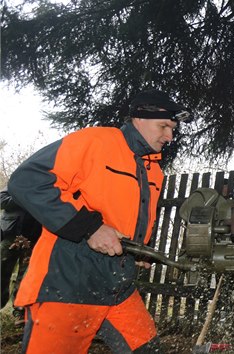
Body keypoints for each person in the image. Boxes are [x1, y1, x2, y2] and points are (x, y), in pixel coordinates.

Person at [8, 89, 192, 353]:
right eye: (164, 126)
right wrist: (90, 228)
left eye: (173, 129)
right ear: (139, 118)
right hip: (68, 283)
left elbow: (123, 216)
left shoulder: (154, 169)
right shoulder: (95, 141)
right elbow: (27, 181)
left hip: (118, 286)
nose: (169, 136)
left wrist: (138, 248)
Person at [1, 187, 42, 325]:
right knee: (2, 271)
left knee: (26, 277)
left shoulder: (45, 186)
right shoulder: (17, 183)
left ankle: (20, 311)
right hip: (10, 236)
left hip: (33, 239)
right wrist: (23, 197)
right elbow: (1, 200)